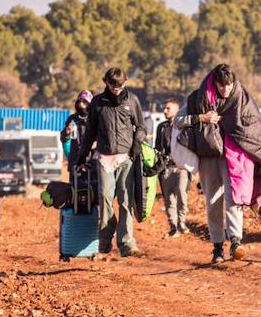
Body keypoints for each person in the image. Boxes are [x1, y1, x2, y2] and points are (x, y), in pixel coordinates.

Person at [175, 64, 261, 264]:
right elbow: (178, 120)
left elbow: (253, 126)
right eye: (221, 86)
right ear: (215, 84)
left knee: (234, 197)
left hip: (234, 155)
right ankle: (218, 246)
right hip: (208, 155)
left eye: (229, 85)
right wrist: (202, 118)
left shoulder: (242, 98)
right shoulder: (198, 99)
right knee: (213, 202)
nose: (226, 90)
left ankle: (236, 241)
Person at [74, 68, 146, 258]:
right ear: (105, 82)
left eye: (120, 85)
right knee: (105, 197)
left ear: (126, 82)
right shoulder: (98, 102)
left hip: (126, 158)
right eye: (113, 85)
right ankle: (105, 240)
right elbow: (90, 132)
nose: (116, 88)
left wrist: (137, 144)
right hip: (104, 158)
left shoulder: (132, 100)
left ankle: (127, 243)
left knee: (125, 200)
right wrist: (82, 157)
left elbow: (141, 127)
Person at [155, 99, 190, 237]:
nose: (165, 111)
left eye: (168, 108)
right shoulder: (161, 127)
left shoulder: (183, 127)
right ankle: (173, 226)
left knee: (182, 193)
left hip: (181, 167)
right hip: (166, 167)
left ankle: (182, 221)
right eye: (165, 108)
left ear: (176, 110)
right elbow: (157, 147)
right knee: (169, 198)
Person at [61, 90, 94, 179]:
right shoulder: (72, 119)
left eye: (85, 102)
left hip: (91, 162)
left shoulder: (94, 119)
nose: (81, 104)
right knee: (74, 186)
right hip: (75, 161)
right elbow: (63, 139)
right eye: (80, 101)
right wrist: (67, 132)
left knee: (93, 185)